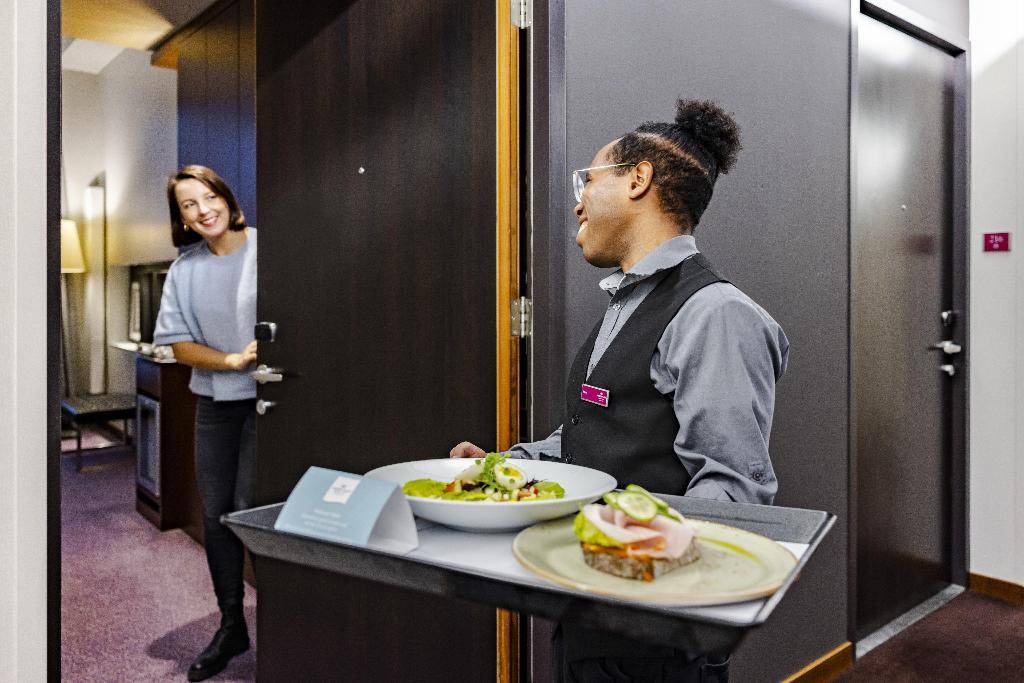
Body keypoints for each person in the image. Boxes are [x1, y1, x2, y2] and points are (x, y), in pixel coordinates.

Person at [451, 100, 789, 682]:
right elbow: (595, 438)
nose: (578, 202)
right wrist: (505, 468)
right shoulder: (625, 303)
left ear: (638, 179)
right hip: (592, 616)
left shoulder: (715, 313)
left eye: (588, 180)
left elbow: (734, 496)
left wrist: (629, 554)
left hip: (654, 641)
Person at [153, 165, 257, 682]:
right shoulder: (185, 269)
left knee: (252, 510)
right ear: (182, 219)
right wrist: (232, 361)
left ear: (226, 197)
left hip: (270, 401)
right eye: (188, 205)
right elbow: (178, 345)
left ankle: (291, 621)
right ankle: (232, 623)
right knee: (216, 515)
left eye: (209, 196)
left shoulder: (267, 248)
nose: (203, 210)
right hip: (216, 402)